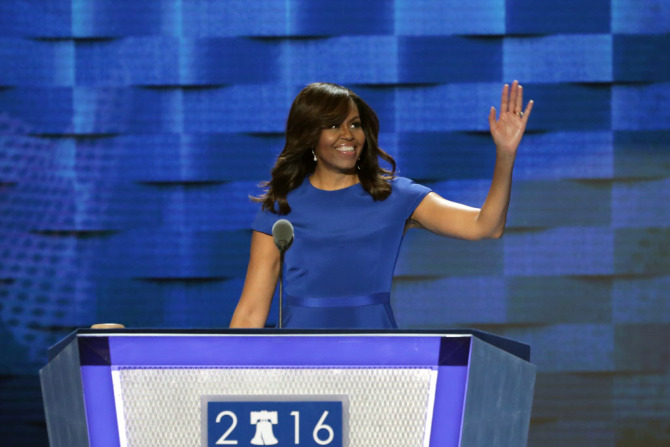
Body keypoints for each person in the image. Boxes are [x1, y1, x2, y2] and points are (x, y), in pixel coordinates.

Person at [230, 81, 533, 329]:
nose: (348, 135)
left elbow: (486, 226)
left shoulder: (395, 196)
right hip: (300, 359)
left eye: (355, 124)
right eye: (333, 125)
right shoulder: (282, 206)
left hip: (377, 358)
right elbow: (251, 312)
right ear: (310, 135)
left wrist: (505, 154)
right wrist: (226, 381)